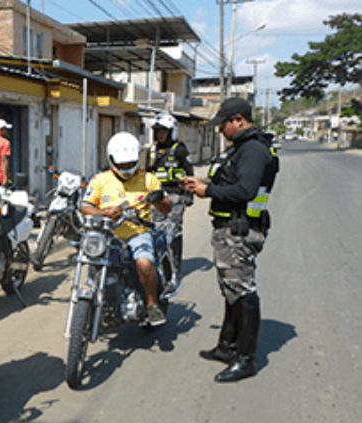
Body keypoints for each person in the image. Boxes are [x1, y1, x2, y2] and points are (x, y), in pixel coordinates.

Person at [181, 97, 278, 383]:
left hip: (240, 229)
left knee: (244, 292)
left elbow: (245, 190)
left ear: (238, 120)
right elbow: (233, 184)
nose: (221, 129)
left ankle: (246, 359)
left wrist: (206, 192)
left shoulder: (253, 150)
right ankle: (227, 346)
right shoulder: (242, 148)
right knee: (231, 290)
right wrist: (204, 185)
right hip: (230, 227)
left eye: (223, 124)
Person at [80, 131, 172, 327]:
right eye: (121, 165)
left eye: (130, 164)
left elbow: (167, 206)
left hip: (138, 234)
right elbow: (85, 206)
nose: (126, 168)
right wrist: (105, 213)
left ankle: (151, 304)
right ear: (111, 160)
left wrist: (160, 200)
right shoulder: (99, 180)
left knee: (144, 264)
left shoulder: (149, 180)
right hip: (106, 234)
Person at [146, 112, 195, 291]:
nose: (160, 135)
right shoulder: (151, 150)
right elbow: (147, 173)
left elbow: (189, 171)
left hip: (175, 196)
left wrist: (189, 194)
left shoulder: (180, 149)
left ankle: (177, 268)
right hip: (157, 196)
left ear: (171, 132)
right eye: (158, 131)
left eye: (164, 131)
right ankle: (162, 267)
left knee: (173, 233)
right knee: (157, 232)